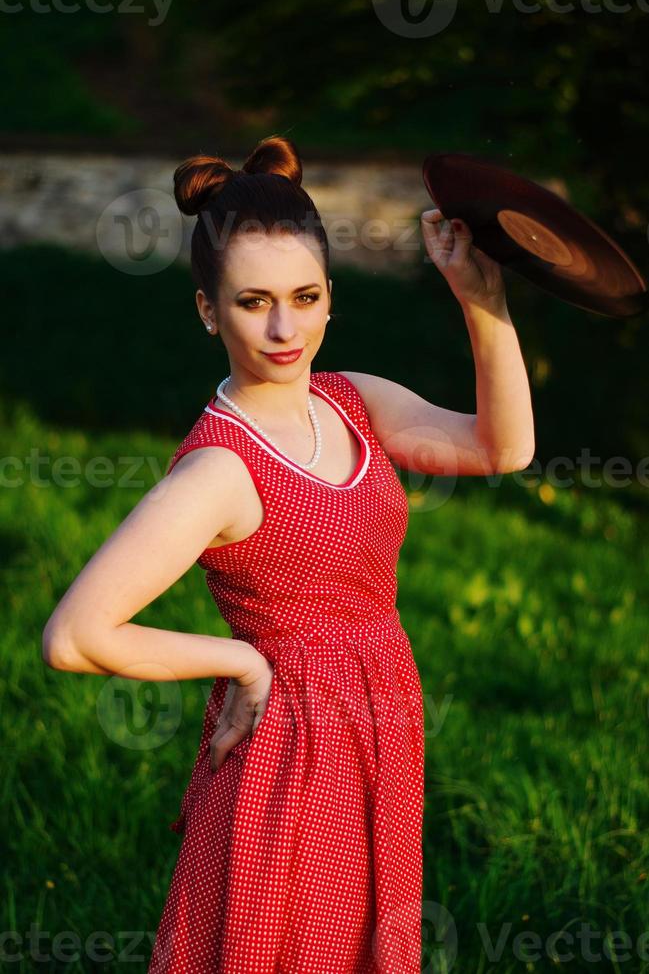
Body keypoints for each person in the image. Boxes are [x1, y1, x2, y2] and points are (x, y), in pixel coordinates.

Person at [42, 135, 534, 972]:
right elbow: (77, 635)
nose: (283, 328)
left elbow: (501, 447)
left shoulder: (351, 401)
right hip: (292, 750)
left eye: (304, 297)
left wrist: (481, 303)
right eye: (252, 302)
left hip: (379, 722)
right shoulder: (218, 469)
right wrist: (242, 662)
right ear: (208, 311)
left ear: (330, 297)